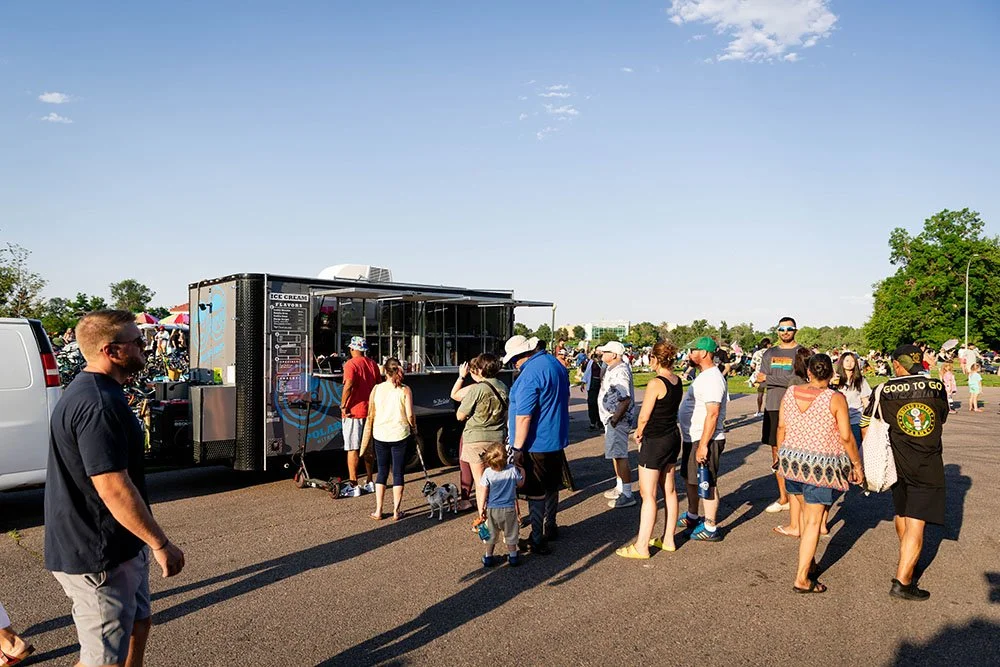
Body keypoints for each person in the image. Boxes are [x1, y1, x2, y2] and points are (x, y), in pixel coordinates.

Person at [45, 310, 185, 667]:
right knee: (103, 659)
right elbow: (112, 487)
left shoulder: (101, 391)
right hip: (99, 552)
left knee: (139, 622)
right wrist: (161, 543)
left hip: (122, 543)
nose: (145, 347)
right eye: (137, 342)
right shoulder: (98, 404)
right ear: (111, 351)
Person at [861, 344, 949, 601]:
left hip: (896, 460)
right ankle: (902, 580)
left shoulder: (883, 390)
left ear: (898, 364)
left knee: (902, 512)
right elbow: (941, 418)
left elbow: (866, 423)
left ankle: (907, 561)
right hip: (927, 462)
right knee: (917, 521)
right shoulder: (936, 387)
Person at [776, 354, 864, 594]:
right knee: (814, 521)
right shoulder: (835, 399)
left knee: (807, 517)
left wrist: (780, 456)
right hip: (819, 466)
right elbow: (846, 436)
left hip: (792, 462)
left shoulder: (791, 392)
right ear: (831, 374)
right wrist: (857, 465)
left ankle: (810, 562)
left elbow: (781, 427)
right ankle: (802, 578)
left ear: (810, 373)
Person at [616, 340, 683, 559]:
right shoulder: (677, 380)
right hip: (673, 436)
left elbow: (644, 414)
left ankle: (642, 545)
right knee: (670, 490)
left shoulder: (656, 382)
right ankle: (669, 539)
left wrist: (639, 432)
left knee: (648, 494)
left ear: (654, 358)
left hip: (655, 440)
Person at [504, 334, 570, 554]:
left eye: (514, 358)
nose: (514, 363)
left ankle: (537, 537)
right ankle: (550, 526)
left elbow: (524, 416)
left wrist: (517, 449)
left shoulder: (529, 374)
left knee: (535, 492)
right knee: (552, 486)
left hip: (535, 443)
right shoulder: (555, 363)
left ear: (523, 354)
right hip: (555, 438)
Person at [676, 337, 728, 541]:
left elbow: (713, 413)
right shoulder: (703, 376)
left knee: (707, 482)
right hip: (693, 437)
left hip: (706, 439)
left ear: (705, 353)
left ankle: (711, 526)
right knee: (690, 479)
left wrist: (704, 445)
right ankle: (692, 515)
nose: (689, 354)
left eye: (693, 350)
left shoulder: (713, 379)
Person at [757, 317, 805, 514]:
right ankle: (783, 497)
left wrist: (770, 378)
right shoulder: (770, 352)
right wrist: (778, 380)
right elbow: (760, 377)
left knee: (798, 451)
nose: (785, 332)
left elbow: (799, 381)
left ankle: (800, 497)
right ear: (777, 331)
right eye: (781, 329)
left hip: (796, 407)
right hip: (773, 407)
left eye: (789, 328)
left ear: (795, 330)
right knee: (776, 452)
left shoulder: (802, 352)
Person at [455, 354, 509, 517]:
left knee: (480, 482)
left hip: (475, 438)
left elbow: (460, 415)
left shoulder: (477, 388)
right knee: (496, 478)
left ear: (480, 369)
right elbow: (505, 414)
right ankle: (499, 513)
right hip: (497, 438)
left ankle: (483, 517)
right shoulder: (503, 387)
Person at [365, 358, 416, 521]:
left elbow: (371, 410)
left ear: (385, 371)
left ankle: (378, 510)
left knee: (381, 471)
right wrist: (413, 426)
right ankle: (396, 510)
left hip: (380, 433)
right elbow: (409, 414)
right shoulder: (405, 390)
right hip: (400, 433)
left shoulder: (376, 389)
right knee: (398, 472)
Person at [597, 341, 637, 509]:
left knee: (620, 455)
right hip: (612, 419)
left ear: (614, 354)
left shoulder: (620, 371)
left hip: (617, 420)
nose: (602, 354)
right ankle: (620, 486)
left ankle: (627, 493)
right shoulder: (612, 369)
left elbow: (625, 397)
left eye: (606, 351)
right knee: (615, 454)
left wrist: (615, 418)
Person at [340, 336, 381, 493]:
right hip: (370, 412)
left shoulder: (350, 364)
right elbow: (378, 386)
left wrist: (344, 405)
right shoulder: (373, 364)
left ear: (353, 349)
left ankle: (353, 484)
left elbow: (348, 385)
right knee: (368, 448)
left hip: (354, 412)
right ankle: (370, 481)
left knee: (353, 448)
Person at [478, 442, 526, 568]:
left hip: (492, 509)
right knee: (510, 533)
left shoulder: (488, 472)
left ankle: (488, 557)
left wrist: (482, 508)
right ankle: (513, 556)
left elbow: (483, 490)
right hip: (509, 508)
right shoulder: (512, 469)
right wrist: (523, 472)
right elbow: (520, 484)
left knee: (491, 534)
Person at [831, 352, 873, 447]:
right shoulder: (835, 379)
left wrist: (869, 419)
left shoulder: (860, 380)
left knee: (856, 447)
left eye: (852, 361)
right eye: (847, 360)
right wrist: (831, 384)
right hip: (838, 421)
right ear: (841, 362)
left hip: (855, 420)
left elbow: (865, 400)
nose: (849, 363)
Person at [580, 352, 603, 430]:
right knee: (592, 402)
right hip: (593, 383)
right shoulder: (591, 362)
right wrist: (583, 382)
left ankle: (600, 422)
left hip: (602, 385)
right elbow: (587, 372)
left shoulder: (605, 362)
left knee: (600, 404)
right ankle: (592, 422)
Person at [750, 338, 771, 416]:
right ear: (768, 344)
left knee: (760, 394)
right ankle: (769, 411)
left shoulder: (757, 353)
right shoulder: (771, 352)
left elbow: (752, 365)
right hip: (769, 375)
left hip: (759, 375)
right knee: (770, 394)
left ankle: (758, 410)